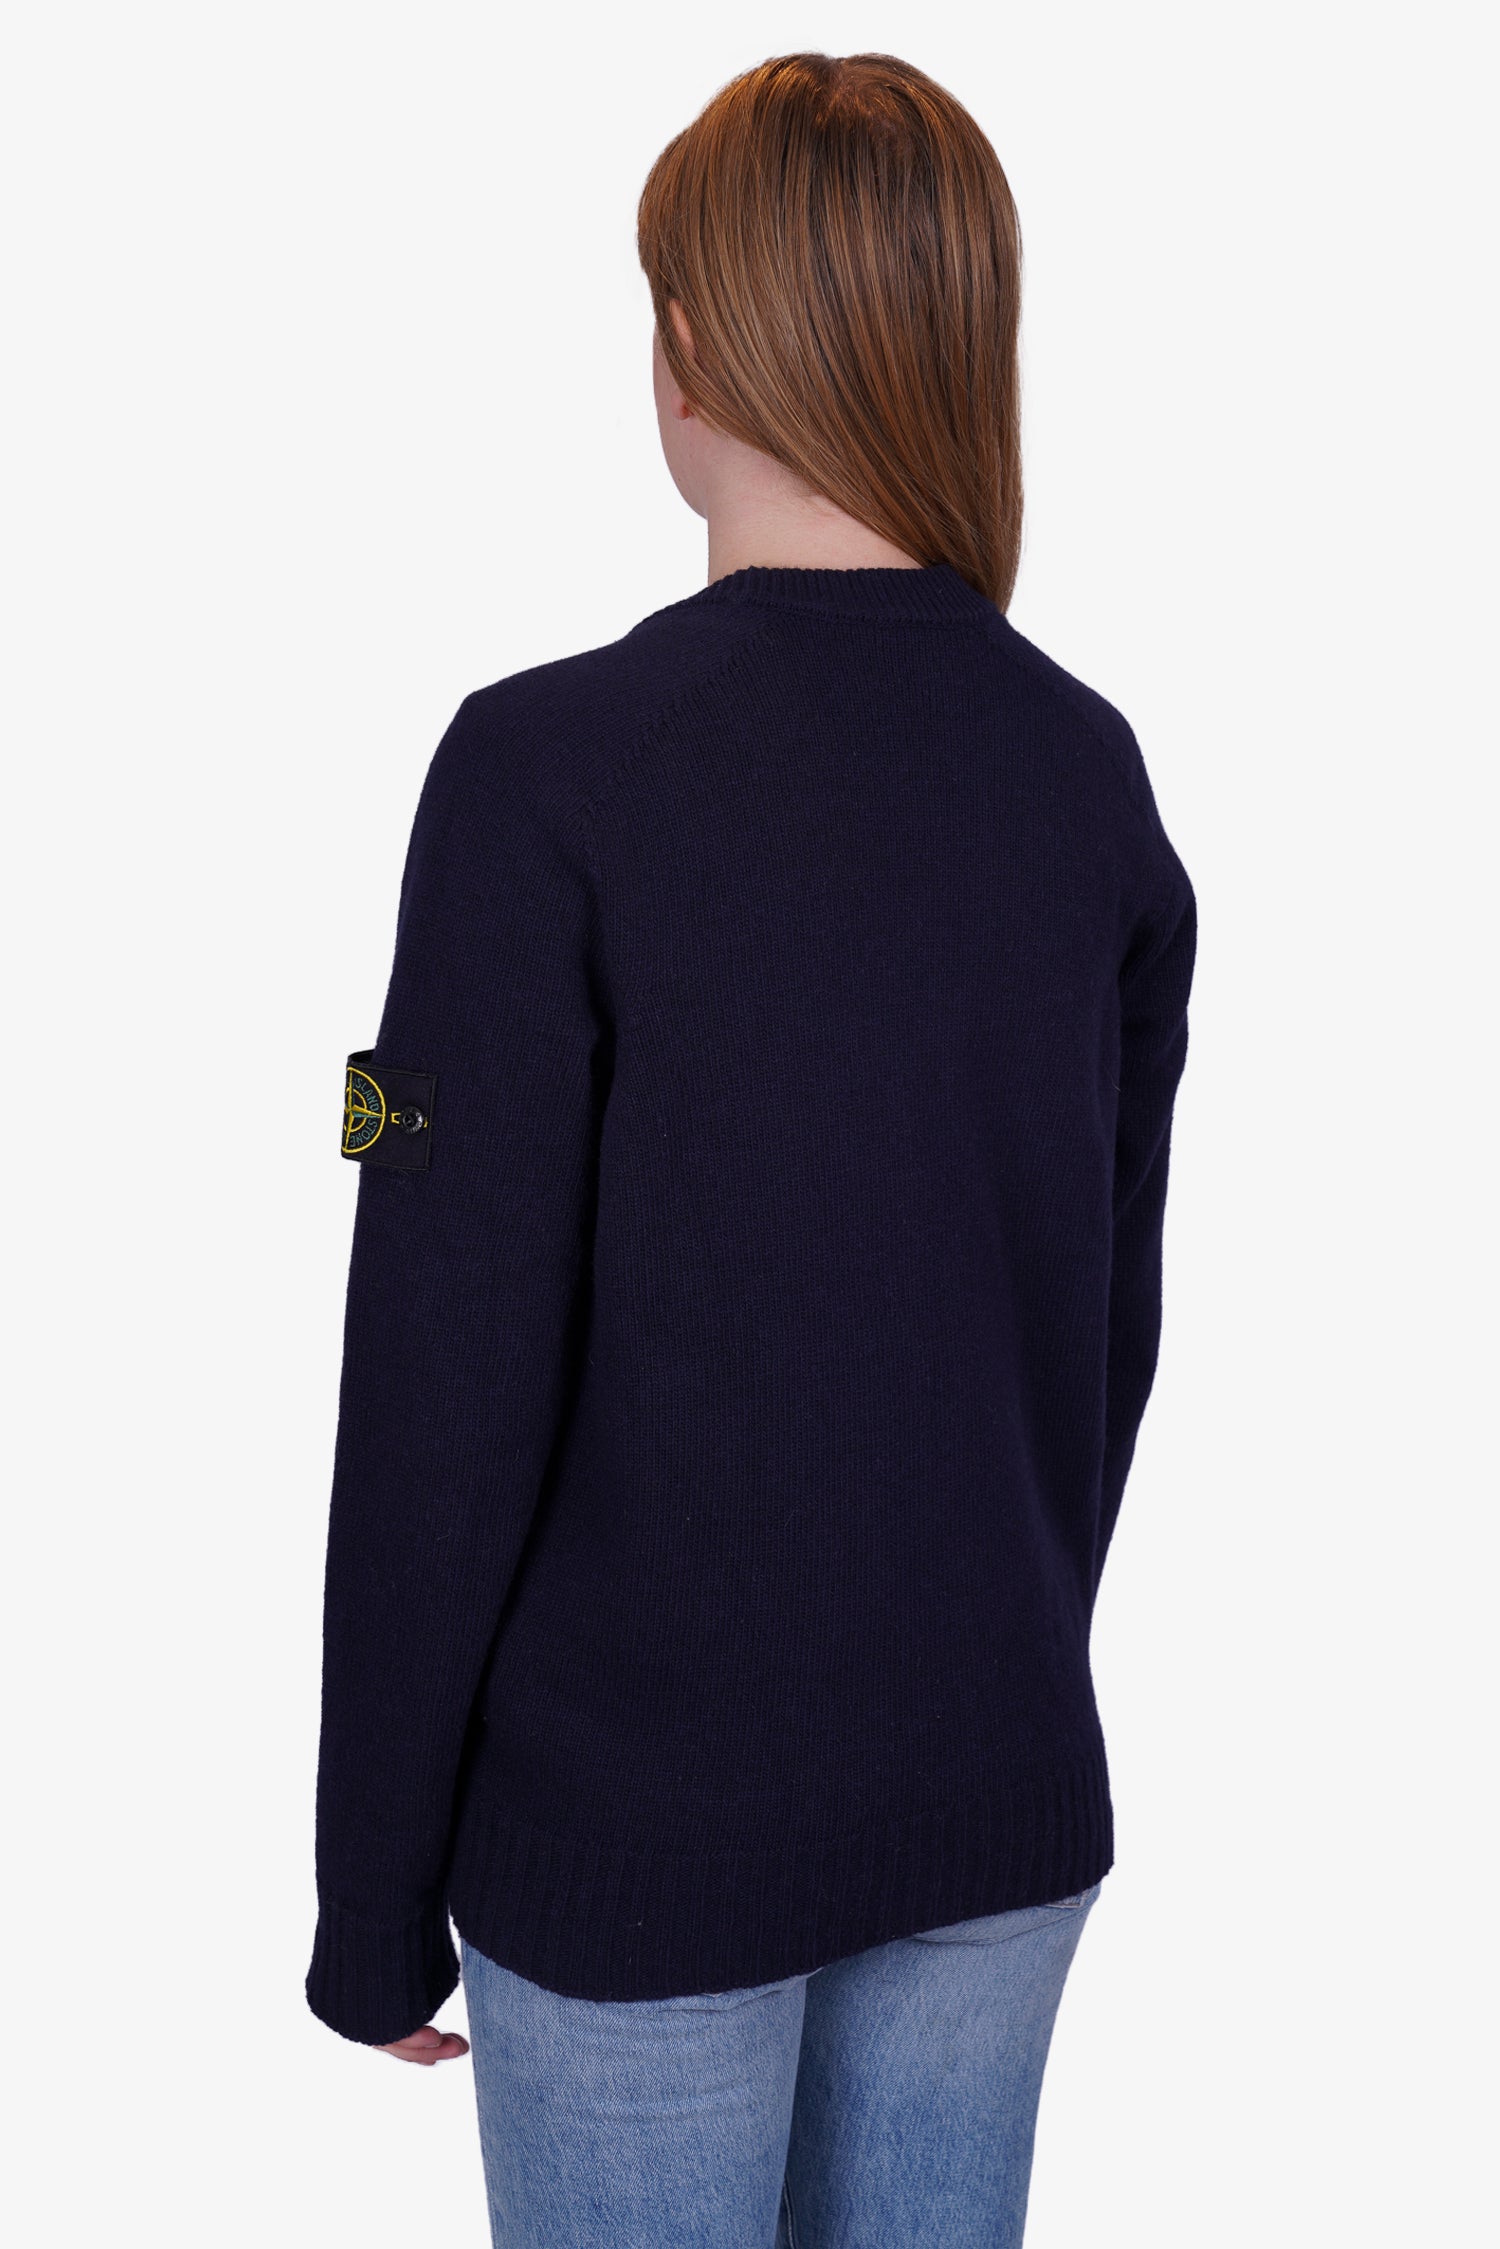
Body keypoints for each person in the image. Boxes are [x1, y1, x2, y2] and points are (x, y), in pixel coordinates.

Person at [306, 49, 1196, 2249]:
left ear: (689, 347)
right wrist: (975, 1663)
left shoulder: (541, 776)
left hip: (641, 1839)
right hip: (995, 1797)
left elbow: (440, 1381)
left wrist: (372, 1894)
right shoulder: (1086, 779)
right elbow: (1100, 1340)